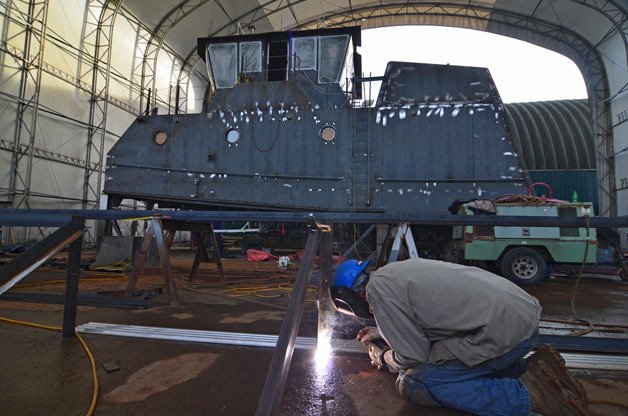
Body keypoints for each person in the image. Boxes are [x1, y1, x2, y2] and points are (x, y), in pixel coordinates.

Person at [330, 258, 589, 416]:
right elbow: (430, 316)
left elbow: (413, 356)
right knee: (440, 359)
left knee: (416, 383)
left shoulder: (378, 293)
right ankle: (524, 371)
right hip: (521, 318)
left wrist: (383, 356)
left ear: (350, 299)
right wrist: (382, 331)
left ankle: (527, 395)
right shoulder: (392, 274)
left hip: (503, 334)